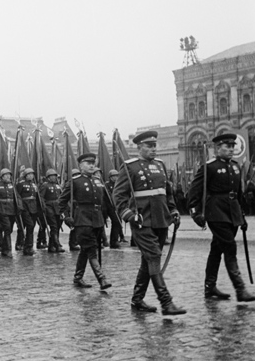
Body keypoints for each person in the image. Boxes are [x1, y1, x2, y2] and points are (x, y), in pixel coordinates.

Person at [113, 131, 186, 315]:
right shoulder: (130, 167)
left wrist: (174, 211)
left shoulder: (160, 165)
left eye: (155, 146)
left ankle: (137, 300)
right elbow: (118, 196)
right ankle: (166, 303)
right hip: (142, 220)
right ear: (139, 147)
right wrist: (129, 215)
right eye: (149, 146)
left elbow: (166, 192)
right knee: (153, 256)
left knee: (148, 261)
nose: (153, 149)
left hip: (161, 220)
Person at [187, 134, 255, 302]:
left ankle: (209, 287)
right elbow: (194, 191)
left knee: (216, 249)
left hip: (232, 212)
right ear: (217, 149)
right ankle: (240, 289)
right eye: (227, 147)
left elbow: (239, 194)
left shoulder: (235, 166)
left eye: (233, 146)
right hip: (216, 212)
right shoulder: (209, 167)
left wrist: (242, 216)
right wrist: (195, 212)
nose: (231, 150)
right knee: (229, 247)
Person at [59, 153, 111, 289]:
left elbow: (105, 202)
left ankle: (78, 278)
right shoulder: (75, 181)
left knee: (86, 249)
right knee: (91, 249)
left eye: (93, 163)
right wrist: (66, 216)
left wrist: (107, 217)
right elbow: (61, 202)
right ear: (81, 166)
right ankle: (102, 279)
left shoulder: (98, 181)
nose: (92, 165)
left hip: (97, 220)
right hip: (82, 220)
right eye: (88, 163)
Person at [0, 168, 18, 258]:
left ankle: (1, 245)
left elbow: (16, 197)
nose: (8, 176)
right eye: (5, 175)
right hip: (1, 208)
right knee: (6, 228)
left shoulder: (12, 184)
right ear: (1, 176)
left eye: (9, 174)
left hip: (11, 209)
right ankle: (7, 249)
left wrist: (19, 208)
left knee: (8, 229)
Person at [39, 169, 65, 253]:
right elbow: (41, 197)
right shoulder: (45, 185)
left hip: (57, 208)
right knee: (53, 226)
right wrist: (44, 207)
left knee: (57, 226)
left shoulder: (58, 186)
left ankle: (51, 246)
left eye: (55, 176)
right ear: (48, 177)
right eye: (52, 176)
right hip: (49, 207)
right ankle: (57, 245)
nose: (54, 177)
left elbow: (61, 197)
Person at [16, 168, 40, 256]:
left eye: (32, 174)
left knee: (32, 226)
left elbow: (37, 197)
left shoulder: (34, 185)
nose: (31, 176)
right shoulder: (21, 184)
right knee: (26, 226)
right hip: (24, 207)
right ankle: (24, 245)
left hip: (33, 207)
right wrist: (19, 207)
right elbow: (17, 196)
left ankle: (27, 245)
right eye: (29, 174)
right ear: (25, 175)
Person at [104, 169, 126, 248]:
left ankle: (115, 240)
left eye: (117, 176)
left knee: (117, 222)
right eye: (113, 176)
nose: (115, 177)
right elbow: (109, 195)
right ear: (110, 177)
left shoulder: (119, 184)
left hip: (117, 206)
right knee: (115, 222)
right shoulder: (107, 185)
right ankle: (109, 241)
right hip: (109, 206)